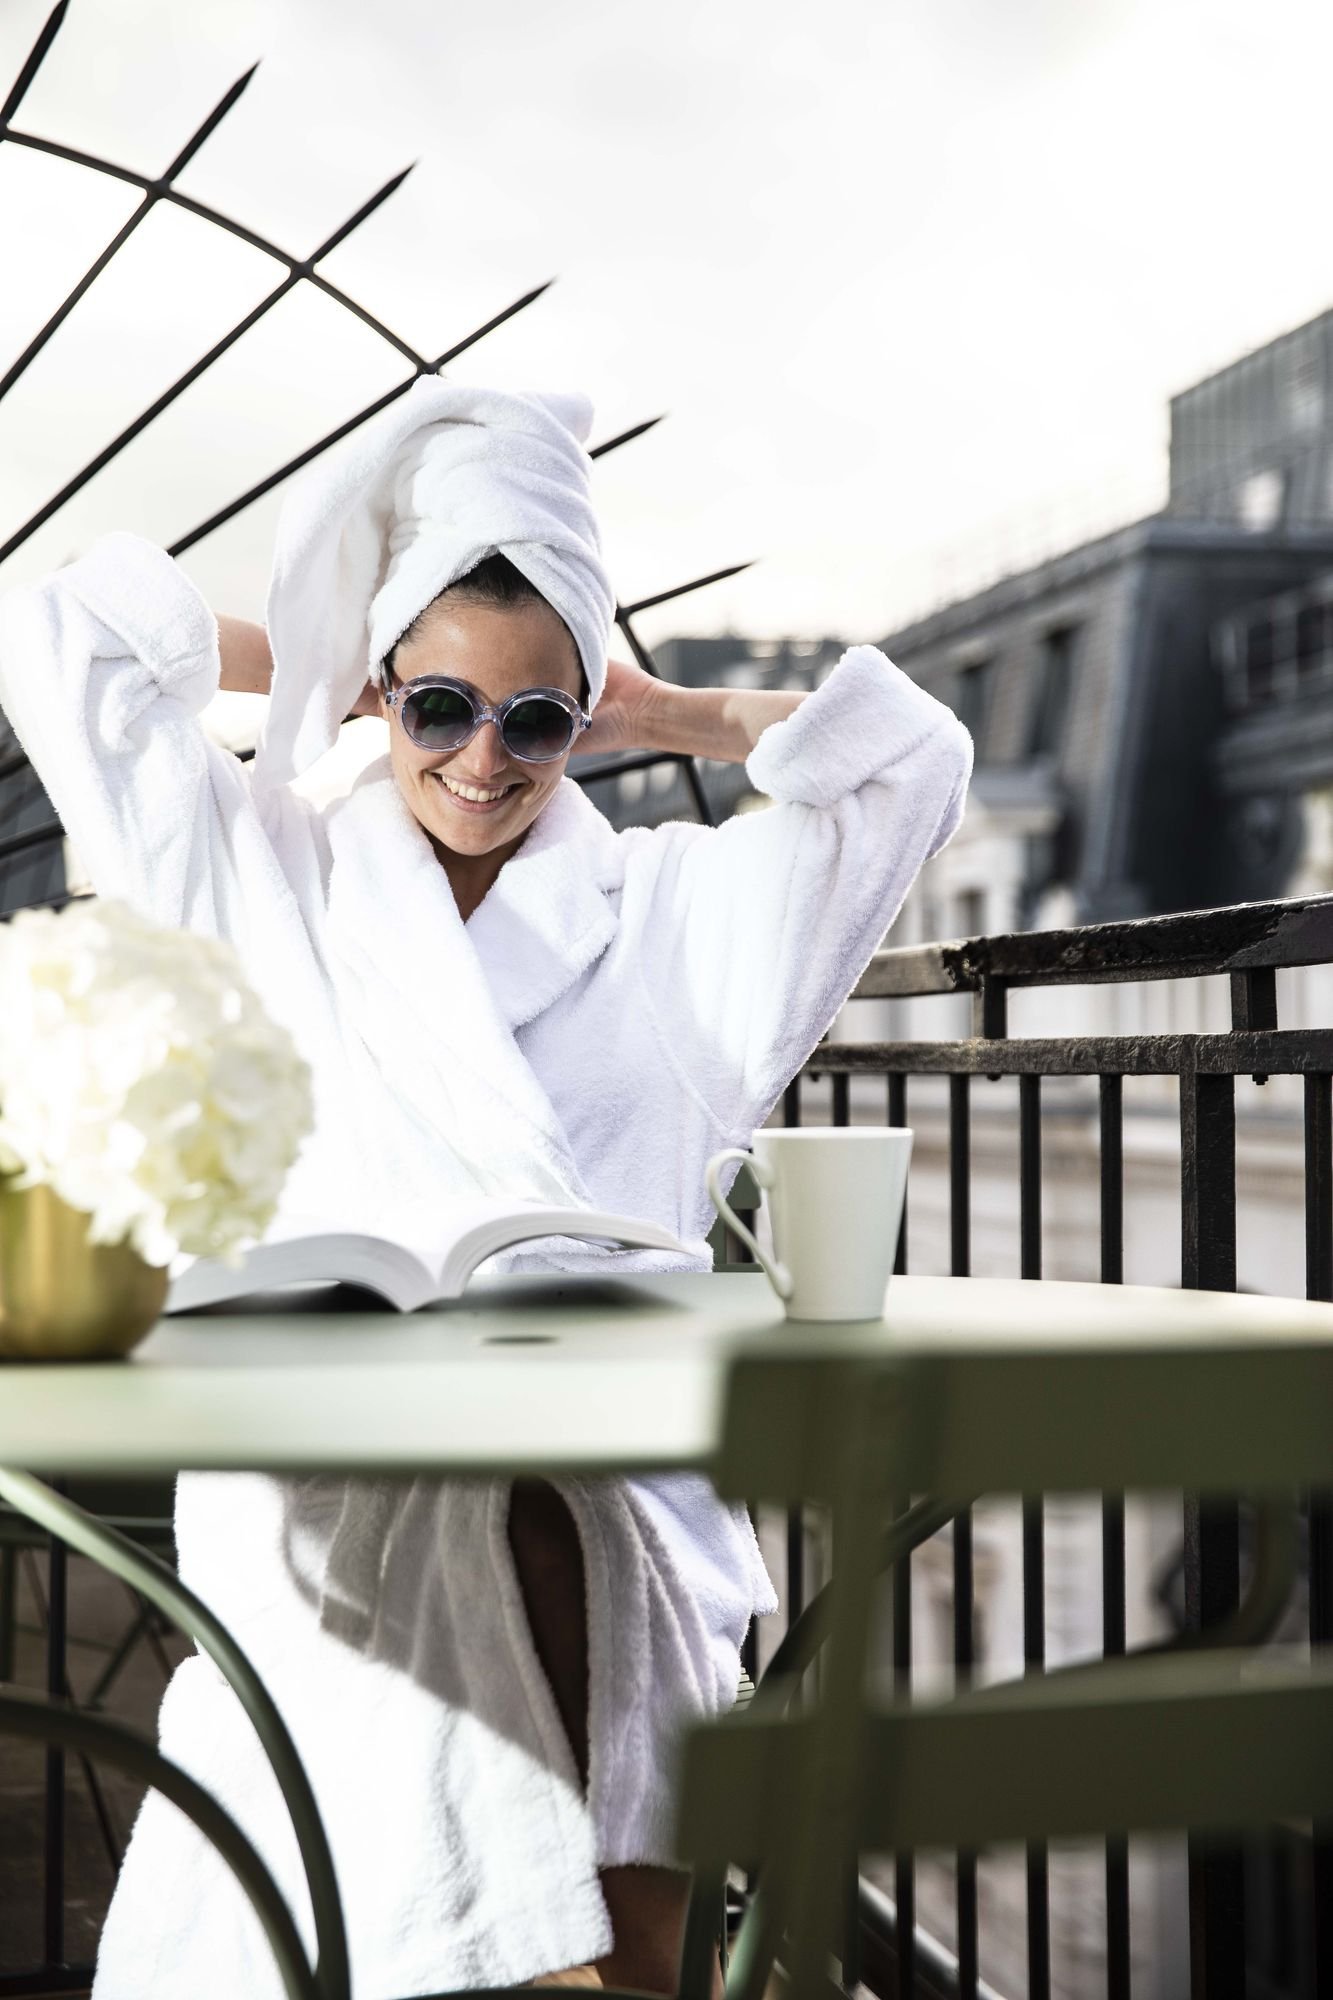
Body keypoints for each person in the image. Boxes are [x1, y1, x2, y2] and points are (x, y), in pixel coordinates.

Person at [0, 381, 972, 2000]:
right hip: (319, 1486)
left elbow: (907, 768)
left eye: (536, 718)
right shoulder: (258, 868)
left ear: (579, 719)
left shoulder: (668, 916)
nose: (481, 759)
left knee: (557, 1525)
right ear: (384, 692)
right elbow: (55, 628)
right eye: (439, 707)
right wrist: (321, 661)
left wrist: (669, 713)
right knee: (482, 1543)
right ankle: (596, 1968)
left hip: (612, 1480)